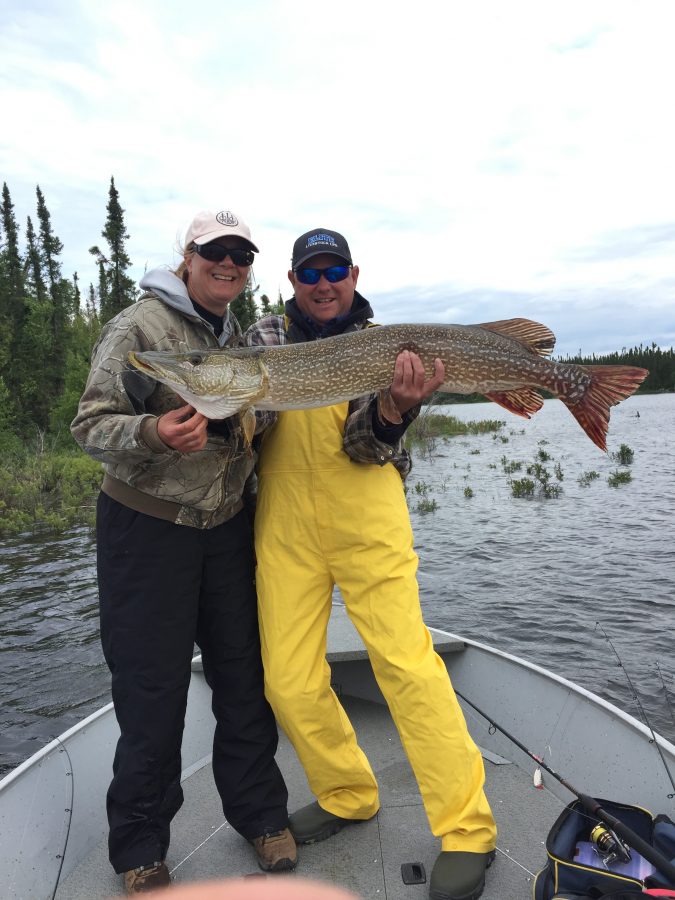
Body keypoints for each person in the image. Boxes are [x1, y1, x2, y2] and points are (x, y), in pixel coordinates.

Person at [245, 228, 498, 900]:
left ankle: (467, 828)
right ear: (292, 281)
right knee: (288, 679)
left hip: (367, 516)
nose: (323, 283)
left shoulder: (387, 347)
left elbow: (364, 445)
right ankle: (347, 792)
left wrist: (395, 408)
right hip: (285, 527)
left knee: (408, 669)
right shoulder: (264, 338)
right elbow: (249, 425)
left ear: (353, 276)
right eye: (309, 273)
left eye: (334, 271)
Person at [71, 210, 296, 895]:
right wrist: (153, 433)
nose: (228, 262)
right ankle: (141, 846)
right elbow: (90, 424)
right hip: (149, 531)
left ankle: (261, 816)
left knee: (243, 680)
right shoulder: (139, 327)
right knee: (152, 692)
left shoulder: (234, 336)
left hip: (224, 529)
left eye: (241, 254)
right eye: (214, 250)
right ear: (188, 256)